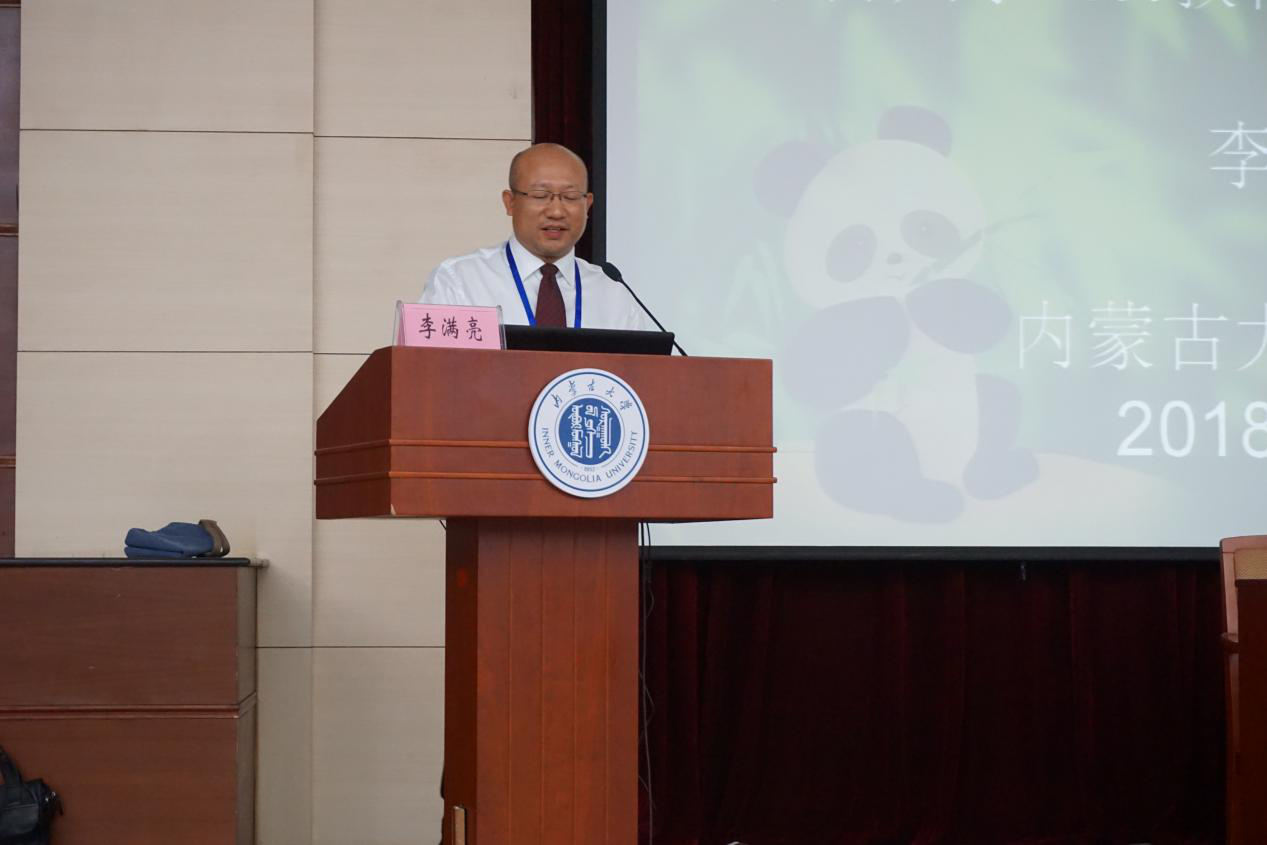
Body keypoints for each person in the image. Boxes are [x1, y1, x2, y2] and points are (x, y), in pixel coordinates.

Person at [419, 143, 654, 330]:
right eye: (541, 195)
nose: (556, 211)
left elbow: (642, 372)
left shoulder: (613, 295)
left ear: (587, 205)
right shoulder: (460, 281)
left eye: (571, 197)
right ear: (510, 202)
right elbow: (429, 367)